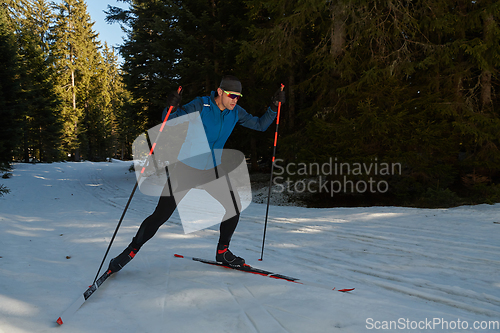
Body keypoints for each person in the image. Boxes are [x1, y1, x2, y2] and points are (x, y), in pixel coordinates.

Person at [108, 75, 285, 272]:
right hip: (186, 169)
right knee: (160, 215)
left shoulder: (235, 113)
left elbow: (260, 125)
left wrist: (274, 107)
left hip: (212, 170)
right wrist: (171, 107)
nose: (235, 100)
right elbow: (171, 119)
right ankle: (130, 250)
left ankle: (222, 252)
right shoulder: (202, 105)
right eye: (232, 95)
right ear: (220, 92)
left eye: (238, 96)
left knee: (234, 206)